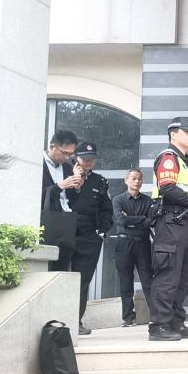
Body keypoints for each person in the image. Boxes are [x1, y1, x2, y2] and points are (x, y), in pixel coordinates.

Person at [147, 116, 188, 342]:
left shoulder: (187, 161)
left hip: (186, 223)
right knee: (168, 274)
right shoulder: (168, 158)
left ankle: (175, 322)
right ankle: (159, 325)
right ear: (173, 134)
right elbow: (167, 188)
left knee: (184, 276)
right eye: (187, 131)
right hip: (170, 222)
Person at [70, 141, 112, 335]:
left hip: (89, 235)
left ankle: (75, 321)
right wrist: (74, 178)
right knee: (62, 277)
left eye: (92, 159)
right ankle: (59, 319)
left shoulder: (100, 181)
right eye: (84, 158)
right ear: (75, 157)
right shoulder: (65, 175)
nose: (88, 162)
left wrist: (101, 232)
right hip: (66, 231)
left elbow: (106, 210)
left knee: (83, 280)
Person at [112, 168, 154, 328]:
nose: (137, 181)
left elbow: (151, 221)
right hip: (124, 244)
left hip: (143, 244)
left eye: (140, 179)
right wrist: (142, 219)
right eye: (134, 178)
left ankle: (156, 315)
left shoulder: (148, 201)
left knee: (148, 280)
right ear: (126, 180)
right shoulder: (118, 200)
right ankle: (128, 317)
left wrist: (130, 219)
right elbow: (121, 221)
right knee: (125, 281)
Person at [40, 129, 81, 272]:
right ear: (52, 147)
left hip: (66, 220)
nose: (67, 157)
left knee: (62, 265)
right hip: (45, 219)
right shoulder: (37, 164)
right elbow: (34, 195)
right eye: (65, 153)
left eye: (71, 154)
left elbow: (72, 200)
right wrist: (59, 186)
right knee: (44, 264)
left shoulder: (68, 168)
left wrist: (77, 187)